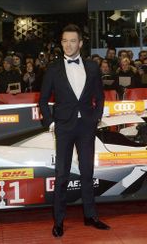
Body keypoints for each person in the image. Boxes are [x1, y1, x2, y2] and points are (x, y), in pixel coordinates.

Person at [38, 24, 107, 238]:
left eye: (72, 41)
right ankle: (58, 221)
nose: (68, 45)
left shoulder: (93, 67)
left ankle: (90, 216)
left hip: (86, 126)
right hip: (64, 128)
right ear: (61, 43)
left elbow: (100, 97)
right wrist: (52, 123)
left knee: (88, 172)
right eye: (65, 41)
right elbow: (42, 100)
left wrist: (95, 119)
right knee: (62, 176)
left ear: (81, 43)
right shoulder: (53, 69)